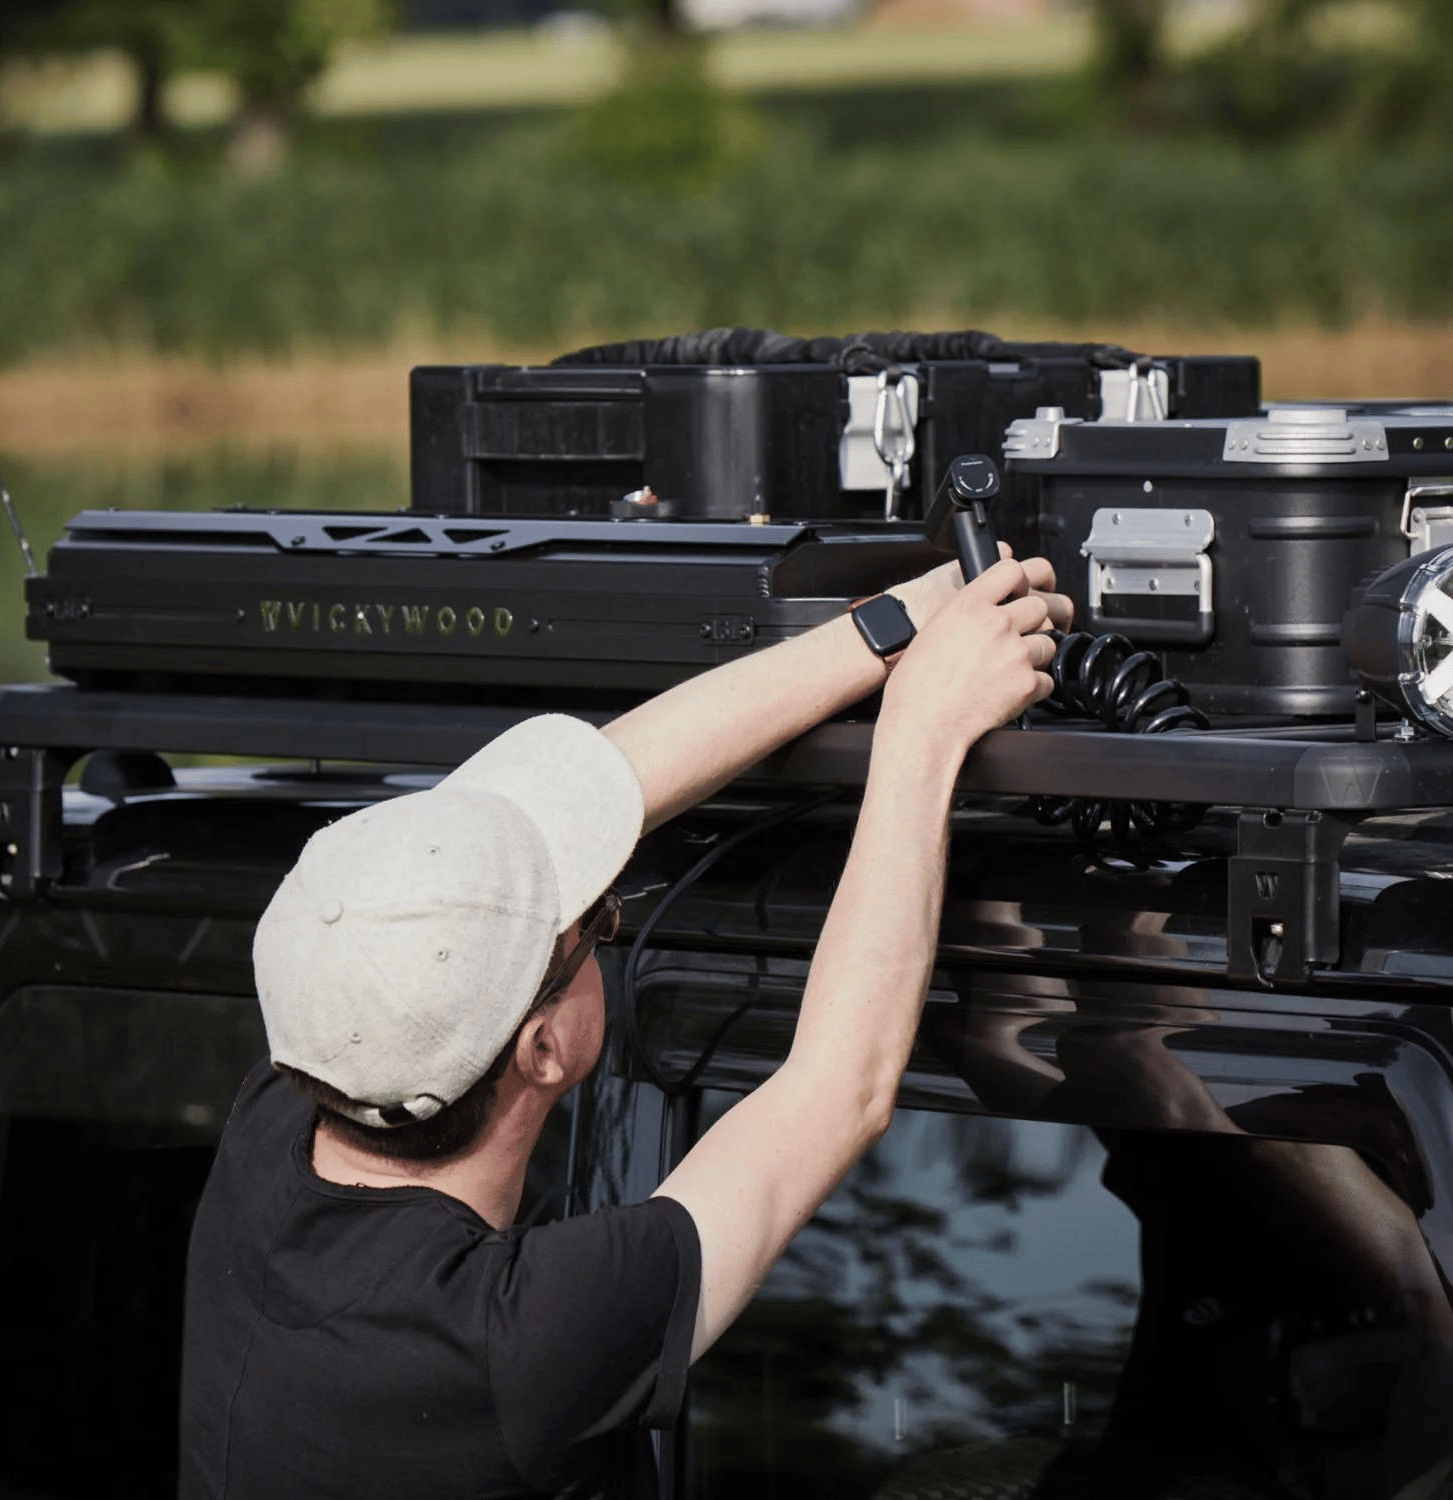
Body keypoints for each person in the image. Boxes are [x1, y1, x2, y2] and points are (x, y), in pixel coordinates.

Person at [179, 550, 1071, 1500]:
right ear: (544, 1047)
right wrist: (925, 736)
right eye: (596, 921)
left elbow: (602, 785)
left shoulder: (283, 1131)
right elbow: (836, 1088)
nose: (611, 910)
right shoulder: (506, 1345)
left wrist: (894, 625)